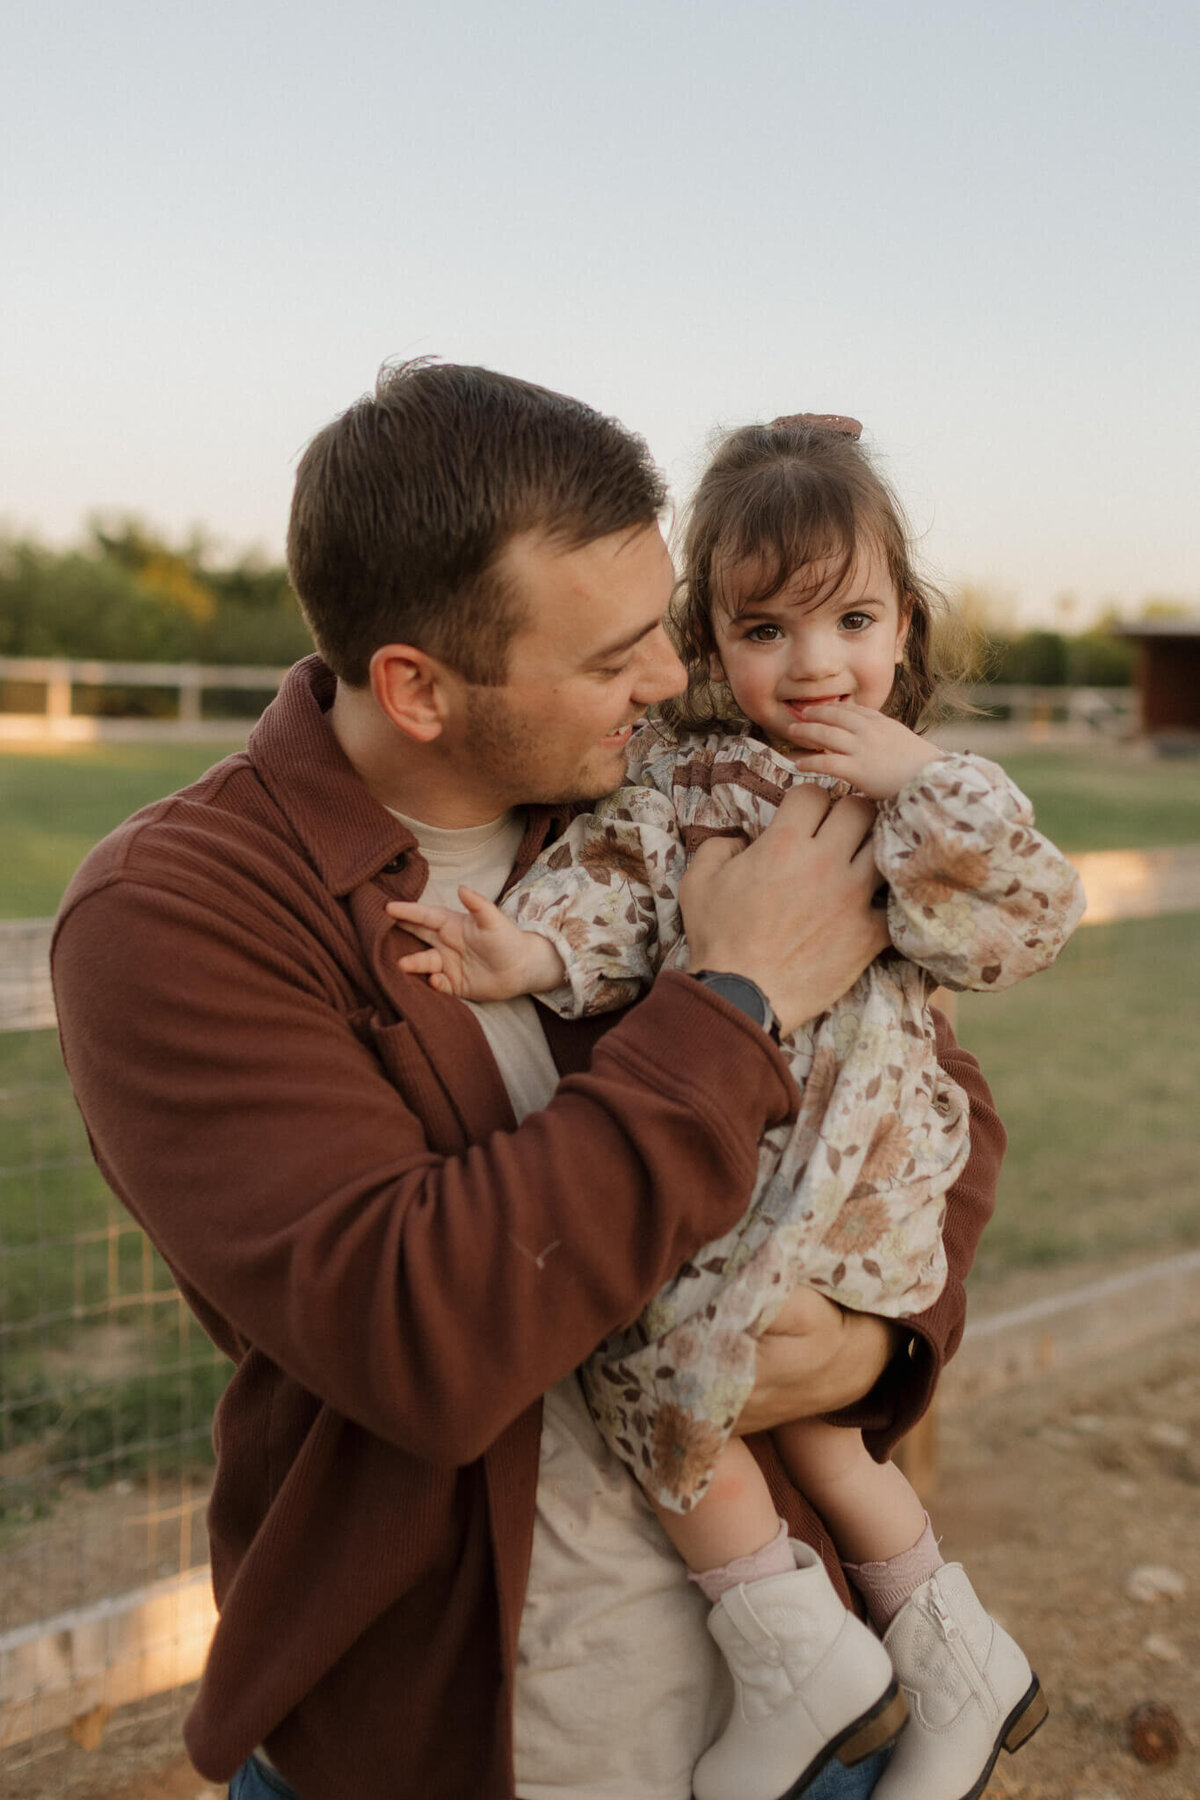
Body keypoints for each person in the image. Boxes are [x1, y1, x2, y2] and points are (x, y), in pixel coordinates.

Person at [51, 364, 1005, 1800]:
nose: (671, 682)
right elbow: (415, 1335)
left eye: (663, 632)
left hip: (803, 1722)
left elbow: (940, 1096)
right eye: (613, 656)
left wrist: (884, 1342)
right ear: (417, 688)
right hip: (456, 1743)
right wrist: (733, 1001)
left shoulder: (665, 797)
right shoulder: (177, 912)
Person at [388, 412, 1082, 1800]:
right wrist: (524, 955)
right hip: (750, 1148)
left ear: (905, 624)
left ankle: (798, 1649)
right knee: (796, 1419)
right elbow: (617, 899)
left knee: (662, 1360)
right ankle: (947, 1654)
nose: (815, 665)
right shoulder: (679, 778)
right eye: (766, 630)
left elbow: (1027, 923)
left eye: (854, 620)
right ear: (707, 639)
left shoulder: (924, 789)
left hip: (859, 1162)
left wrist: (927, 789)